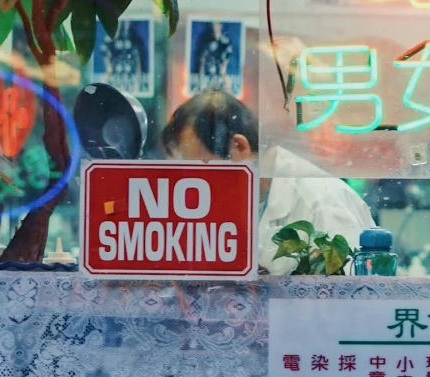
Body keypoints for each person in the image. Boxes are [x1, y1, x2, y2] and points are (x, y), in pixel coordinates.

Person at [160, 90, 376, 270]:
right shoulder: (242, 202)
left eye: (200, 168)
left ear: (238, 147)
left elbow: (350, 302)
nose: (193, 186)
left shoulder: (320, 201)